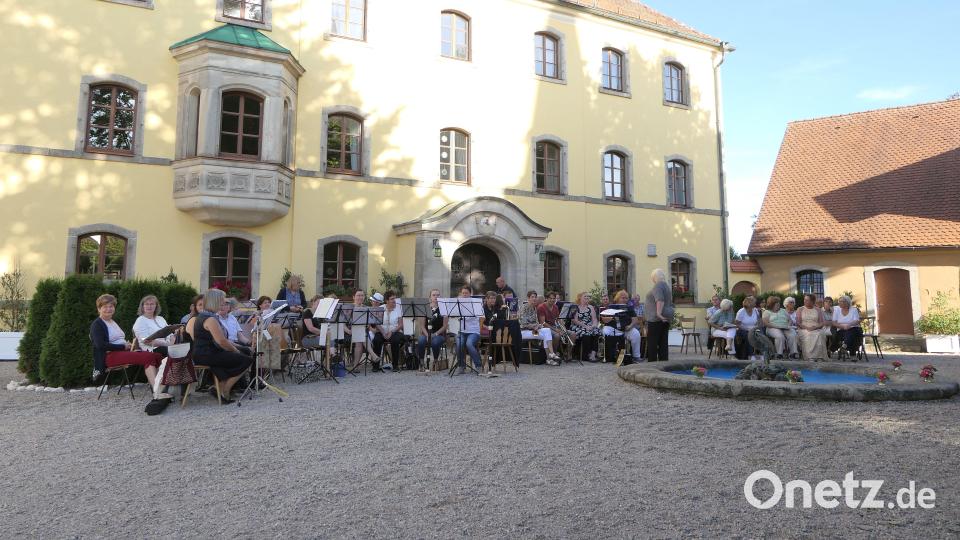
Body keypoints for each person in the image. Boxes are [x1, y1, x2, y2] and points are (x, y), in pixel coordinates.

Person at [90, 294, 170, 399]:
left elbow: (118, 340)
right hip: (109, 356)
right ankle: (157, 392)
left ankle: (162, 388)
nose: (109, 309)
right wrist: (123, 347)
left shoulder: (112, 321)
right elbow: (100, 345)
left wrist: (129, 346)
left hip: (121, 352)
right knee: (149, 357)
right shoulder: (97, 324)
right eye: (105, 307)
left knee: (157, 356)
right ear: (99, 308)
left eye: (111, 306)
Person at [186, 289, 254, 403]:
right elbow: (221, 341)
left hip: (205, 353)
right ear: (215, 301)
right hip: (206, 354)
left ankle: (219, 389)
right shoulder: (210, 319)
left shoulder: (205, 316)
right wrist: (235, 351)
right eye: (221, 301)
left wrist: (237, 348)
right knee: (247, 360)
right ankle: (225, 390)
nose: (223, 303)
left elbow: (222, 340)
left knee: (238, 355)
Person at [601, 290, 642, 365]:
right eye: (623, 298)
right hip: (613, 328)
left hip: (626, 329)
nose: (625, 299)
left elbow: (635, 320)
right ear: (618, 298)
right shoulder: (611, 306)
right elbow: (604, 319)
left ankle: (636, 356)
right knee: (605, 331)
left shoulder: (629, 308)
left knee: (636, 334)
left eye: (626, 298)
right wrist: (609, 319)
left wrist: (630, 326)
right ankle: (610, 355)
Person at [518, 290, 559, 365]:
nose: (534, 298)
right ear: (528, 298)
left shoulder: (534, 308)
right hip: (523, 332)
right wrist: (534, 326)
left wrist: (538, 326)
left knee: (547, 331)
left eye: (535, 297)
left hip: (532, 331)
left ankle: (550, 355)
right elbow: (522, 323)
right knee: (546, 335)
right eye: (532, 297)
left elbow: (536, 322)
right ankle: (550, 357)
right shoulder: (524, 307)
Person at [451, 285, 483, 374]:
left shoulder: (475, 303)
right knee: (459, 345)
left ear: (470, 293)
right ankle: (461, 366)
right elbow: (453, 315)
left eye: (466, 293)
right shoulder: (458, 303)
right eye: (463, 293)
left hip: (473, 331)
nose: (464, 295)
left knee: (469, 344)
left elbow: (481, 317)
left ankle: (478, 365)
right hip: (461, 330)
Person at [643, 268, 674, 362]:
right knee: (663, 342)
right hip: (665, 318)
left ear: (654, 277)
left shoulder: (658, 286)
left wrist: (659, 313)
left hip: (656, 319)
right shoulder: (666, 285)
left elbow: (659, 299)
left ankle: (652, 364)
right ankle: (663, 363)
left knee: (652, 342)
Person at [371, 290, 403, 372]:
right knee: (376, 340)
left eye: (394, 298)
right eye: (392, 299)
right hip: (382, 331)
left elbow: (400, 324)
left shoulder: (398, 309)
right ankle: (375, 365)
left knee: (395, 340)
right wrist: (383, 332)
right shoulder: (380, 308)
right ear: (387, 300)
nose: (394, 301)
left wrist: (392, 332)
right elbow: (377, 322)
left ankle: (395, 365)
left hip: (395, 331)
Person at [417, 288, 447, 369]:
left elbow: (445, 326)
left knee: (435, 342)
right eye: (434, 295)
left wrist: (435, 334)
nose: (436, 297)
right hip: (426, 333)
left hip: (439, 334)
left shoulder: (443, 308)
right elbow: (422, 326)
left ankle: (436, 361)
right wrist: (428, 335)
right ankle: (421, 362)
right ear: (430, 297)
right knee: (421, 340)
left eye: (438, 295)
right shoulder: (425, 308)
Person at [570, 291, 601, 361]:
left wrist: (593, 326)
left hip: (589, 325)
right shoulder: (575, 307)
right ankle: (586, 354)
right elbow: (574, 320)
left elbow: (594, 319)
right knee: (586, 333)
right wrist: (585, 326)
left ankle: (593, 354)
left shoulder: (590, 307)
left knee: (597, 331)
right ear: (580, 298)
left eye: (588, 296)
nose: (587, 298)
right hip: (578, 326)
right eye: (585, 296)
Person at [796, 293, 827, 360]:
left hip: (816, 328)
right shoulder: (800, 309)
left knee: (820, 334)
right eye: (804, 300)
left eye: (807, 300)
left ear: (812, 301)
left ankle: (819, 356)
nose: (805, 301)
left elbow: (822, 323)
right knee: (809, 334)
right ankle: (810, 356)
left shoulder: (818, 310)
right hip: (803, 328)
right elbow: (798, 323)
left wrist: (815, 327)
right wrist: (807, 328)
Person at [734, 296, 761, 360]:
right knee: (749, 335)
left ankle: (762, 354)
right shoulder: (741, 312)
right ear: (750, 304)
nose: (755, 303)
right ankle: (751, 355)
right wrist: (748, 329)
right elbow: (737, 325)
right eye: (754, 302)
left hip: (754, 329)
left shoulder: (755, 310)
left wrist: (757, 327)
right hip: (742, 330)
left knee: (761, 334)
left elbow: (758, 321)